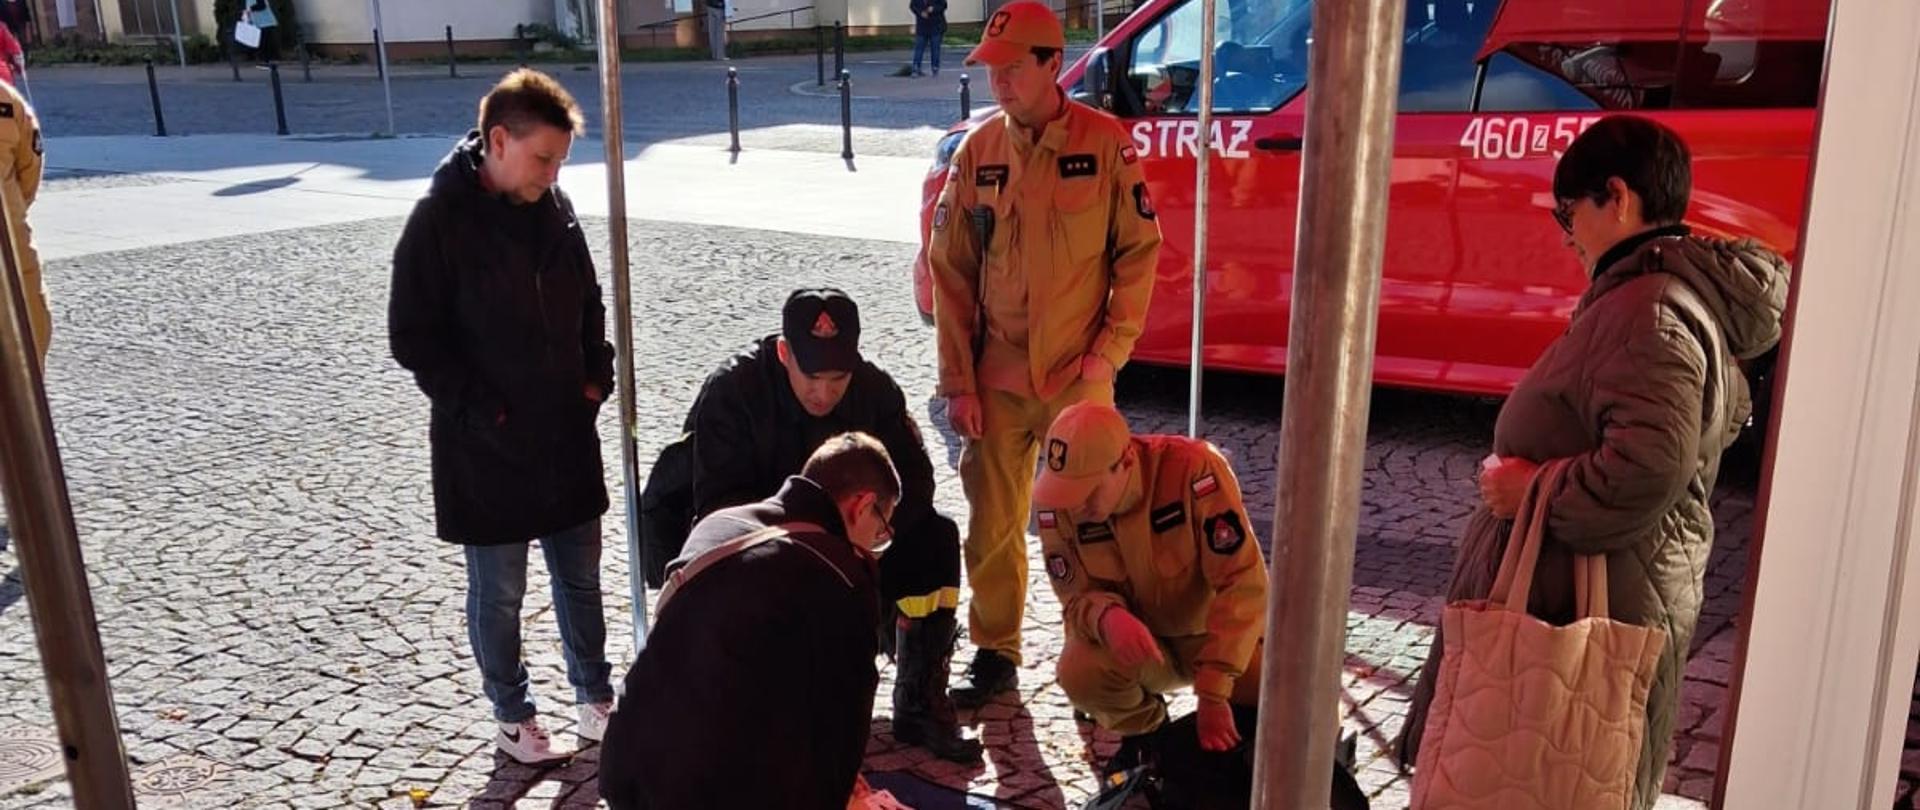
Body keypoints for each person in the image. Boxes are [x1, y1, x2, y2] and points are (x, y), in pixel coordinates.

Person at [1395, 115, 1789, 810]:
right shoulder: (1652, 294)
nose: (1565, 231)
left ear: (1617, 196)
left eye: (1567, 210)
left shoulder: (1650, 308)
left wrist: (1531, 487)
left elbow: (1647, 463)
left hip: (1587, 602)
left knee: (1555, 772)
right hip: (1605, 588)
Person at [928, 0, 1163, 708]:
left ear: (1053, 64)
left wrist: (1107, 357)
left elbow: (1139, 253)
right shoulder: (979, 152)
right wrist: (958, 383)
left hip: (1077, 376)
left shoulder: (1104, 142)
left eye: (1010, 68)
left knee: (1095, 523)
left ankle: (1098, 648)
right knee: (992, 521)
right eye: (989, 69)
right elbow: (951, 272)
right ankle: (994, 648)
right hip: (997, 373)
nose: (997, 81)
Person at [388, 68, 616, 764]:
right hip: (487, 448)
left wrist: (594, 377)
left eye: (559, 162)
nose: (551, 174)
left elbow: (590, 304)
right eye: (543, 158)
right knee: (501, 592)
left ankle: (596, 698)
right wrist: (484, 411)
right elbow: (412, 338)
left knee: (580, 578)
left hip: (566, 435)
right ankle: (513, 715)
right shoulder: (439, 222)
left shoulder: (557, 208)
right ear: (497, 140)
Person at [658, 288, 981, 762]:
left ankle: (918, 697)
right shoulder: (734, 391)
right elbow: (720, 509)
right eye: (812, 377)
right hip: (764, 555)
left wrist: (865, 542)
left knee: (934, 537)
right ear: (785, 353)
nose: (824, 393)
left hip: (852, 548)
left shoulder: (875, 391)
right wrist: (818, 547)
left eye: (838, 378)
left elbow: (916, 483)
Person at [600, 433, 899, 810]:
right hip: (712, 788)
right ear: (863, 505)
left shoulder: (719, 523)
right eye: (880, 533)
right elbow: (839, 733)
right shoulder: (840, 574)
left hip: (630, 759)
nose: (874, 545)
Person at [1029, 402, 1267, 773]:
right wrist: (1105, 617)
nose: (1076, 507)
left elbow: (1243, 582)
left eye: (1088, 492)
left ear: (1124, 462)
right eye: (1067, 494)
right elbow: (1074, 597)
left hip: (1217, 640)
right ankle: (1149, 738)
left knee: (1292, 697)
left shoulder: (1192, 470)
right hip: (1144, 648)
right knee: (1079, 669)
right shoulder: (1057, 504)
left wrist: (1214, 689)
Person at [909, 0, 946, 77]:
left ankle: (935, 68)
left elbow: (943, 5)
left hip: (936, 25)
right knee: (919, 48)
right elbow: (912, 6)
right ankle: (916, 68)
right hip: (922, 26)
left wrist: (934, 9)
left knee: (935, 48)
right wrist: (920, 13)